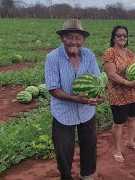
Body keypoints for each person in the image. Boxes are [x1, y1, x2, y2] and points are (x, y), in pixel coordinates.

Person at [45, 19, 106, 180]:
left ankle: (86, 175)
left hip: (87, 111)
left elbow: (97, 80)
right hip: (64, 113)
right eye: (69, 37)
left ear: (83, 40)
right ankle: (66, 176)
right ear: (62, 38)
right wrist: (74, 98)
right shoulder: (52, 57)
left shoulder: (89, 55)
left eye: (77, 38)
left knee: (89, 145)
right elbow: (53, 88)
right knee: (64, 149)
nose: (74, 41)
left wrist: (100, 96)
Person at [103, 25, 135, 163]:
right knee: (119, 123)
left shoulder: (130, 53)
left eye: (124, 35)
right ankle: (117, 149)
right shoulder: (110, 52)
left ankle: (130, 141)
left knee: (132, 118)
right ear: (114, 37)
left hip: (133, 93)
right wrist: (128, 83)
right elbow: (111, 74)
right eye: (119, 35)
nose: (122, 37)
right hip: (118, 94)